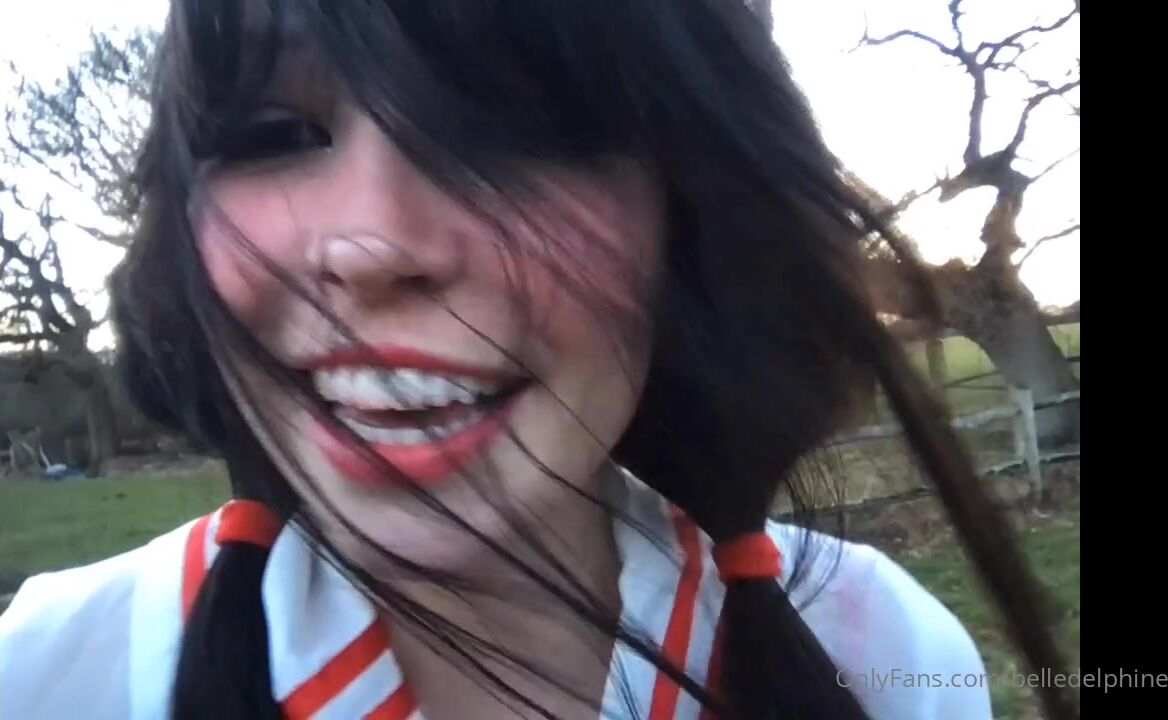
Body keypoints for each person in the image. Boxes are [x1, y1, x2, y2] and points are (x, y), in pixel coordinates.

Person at [0, 2, 1077, 719]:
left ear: (688, 215)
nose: (372, 244)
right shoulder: (49, 677)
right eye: (271, 134)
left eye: (514, 129)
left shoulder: (886, 656)